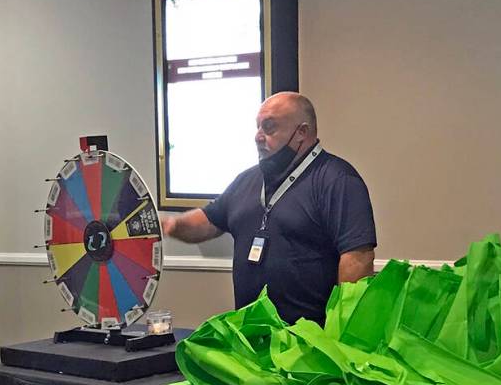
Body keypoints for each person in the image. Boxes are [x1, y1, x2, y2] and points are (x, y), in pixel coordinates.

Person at [161, 91, 377, 325]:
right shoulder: (247, 180)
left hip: (309, 344)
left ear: (301, 133)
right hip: (250, 337)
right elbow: (208, 222)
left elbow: (358, 259)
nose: (258, 136)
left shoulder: (337, 180)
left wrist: (339, 334)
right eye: (258, 127)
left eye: (269, 127)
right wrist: (171, 225)